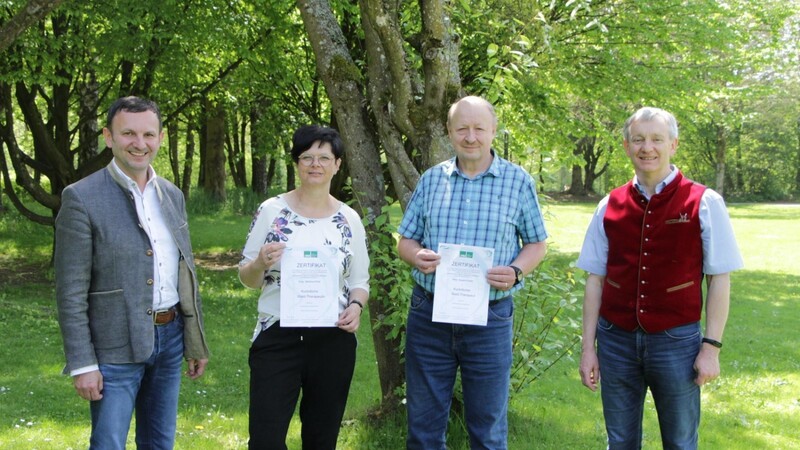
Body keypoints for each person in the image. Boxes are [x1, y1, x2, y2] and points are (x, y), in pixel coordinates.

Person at [577, 107, 744, 449]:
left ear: (673, 144)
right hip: (615, 340)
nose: (647, 147)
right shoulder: (609, 203)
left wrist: (710, 348)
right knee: (620, 440)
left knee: (681, 442)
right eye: (638, 139)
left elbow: (719, 279)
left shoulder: (705, 201)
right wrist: (587, 350)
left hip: (677, 342)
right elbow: (595, 280)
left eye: (656, 139)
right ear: (626, 146)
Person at [55, 96, 210, 449]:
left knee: (160, 442)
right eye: (128, 133)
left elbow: (183, 272)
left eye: (148, 134)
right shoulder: (81, 198)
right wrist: (82, 363)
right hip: (113, 346)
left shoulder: (172, 195)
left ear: (160, 137)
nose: (140, 144)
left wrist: (194, 340)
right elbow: (70, 291)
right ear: (109, 137)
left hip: (170, 340)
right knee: (109, 443)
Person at [397, 95, 548, 449]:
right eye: (462, 128)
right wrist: (416, 256)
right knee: (423, 427)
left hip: (490, 319)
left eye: (479, 128)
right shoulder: (433, 180)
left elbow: (537, 244)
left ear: (493, 131)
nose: (471, 137)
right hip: (430, 315)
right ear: (449, 132)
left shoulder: (517, 182)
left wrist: (516, 271)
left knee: (488, 428)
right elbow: (405, 240)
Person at [238, 124, 370, 449]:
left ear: (337, 164)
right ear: (296, 162)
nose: (315, 164)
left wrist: (356, 307)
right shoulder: (272, 212)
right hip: (277, 336)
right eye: (307, 157)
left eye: (324, 157)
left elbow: (359, 282)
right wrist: (260, 264)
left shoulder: (349, 219)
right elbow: (247, 277)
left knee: (321, 439)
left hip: (332, 339)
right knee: (265, 440)